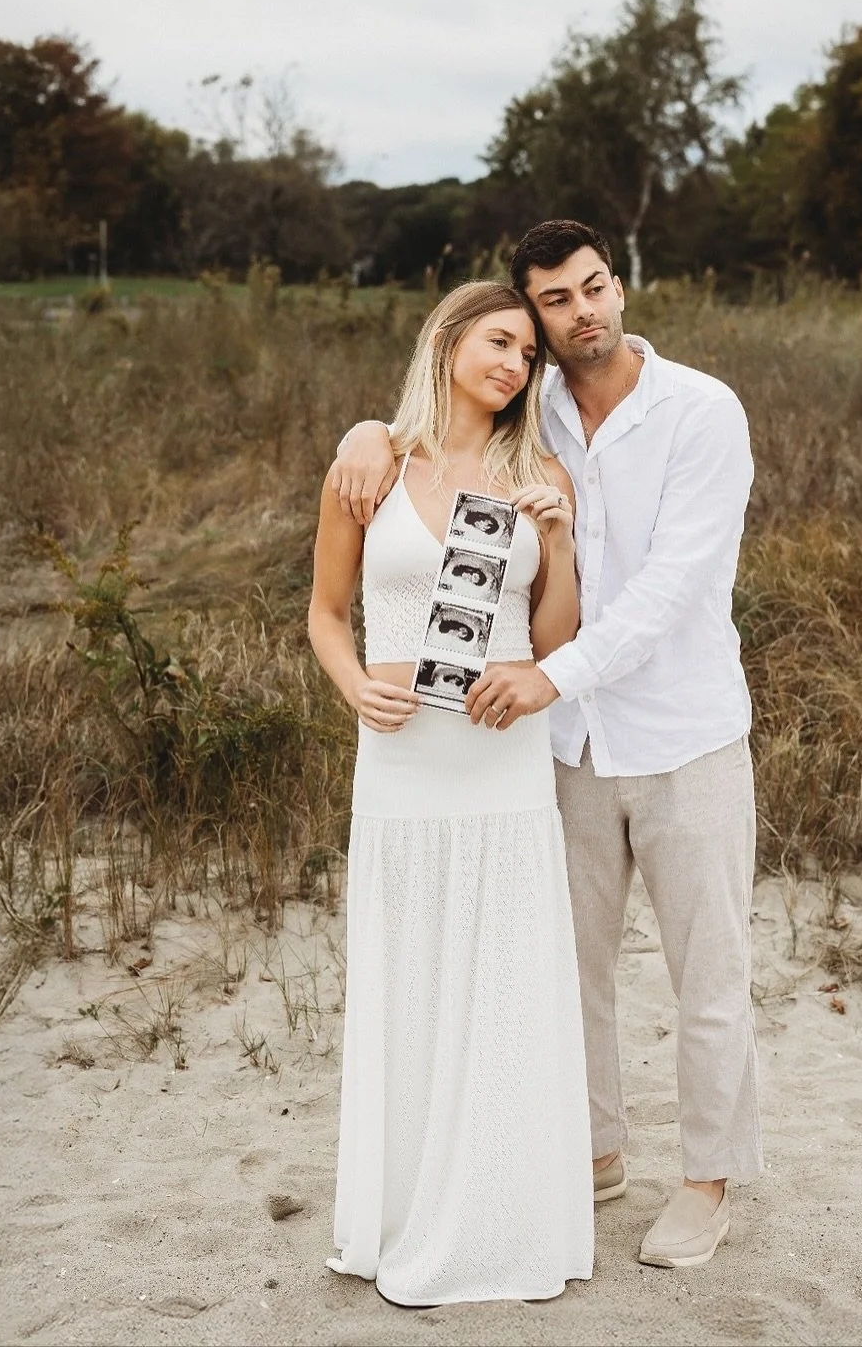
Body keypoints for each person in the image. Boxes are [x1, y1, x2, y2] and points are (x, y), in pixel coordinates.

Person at [332, 220, 762, 1271]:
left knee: (708, 972)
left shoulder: (701, 411)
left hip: (680, 732)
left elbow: (672, 588)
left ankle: (705, 1185)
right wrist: (363, 432)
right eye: (556, 304)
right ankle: (595, 1151)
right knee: (572, 970)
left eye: (594, 287)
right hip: (558, 746)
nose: (582, 314)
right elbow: (438, 439)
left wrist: (550, 675)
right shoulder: (535, 414)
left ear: (620, 285)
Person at [309, 279, 592, 1305]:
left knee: (502, 979)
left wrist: (556, 537)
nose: (514, 364)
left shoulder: (538, 472)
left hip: (499, 757)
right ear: (449, 339)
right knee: (411, 973)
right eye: (499, 341)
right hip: (400, 758)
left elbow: (558, 640)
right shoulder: (372, 462)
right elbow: (327, 615)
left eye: (528, 355)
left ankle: (501, 1216)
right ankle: (398, 1214)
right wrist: (352, 693)